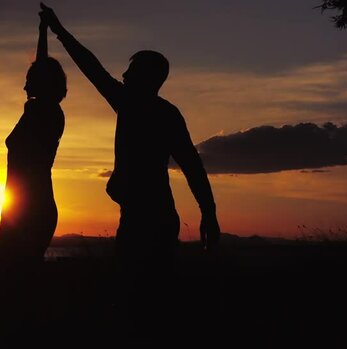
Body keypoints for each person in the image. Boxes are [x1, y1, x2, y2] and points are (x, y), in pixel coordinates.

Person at [39, 3, 220, 268]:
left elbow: (91, 67)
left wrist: (58, 30)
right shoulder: (167, 113)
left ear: (147, 77)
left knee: (137, 292)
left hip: (144, 220)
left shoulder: (133, 105)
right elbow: (193, 166)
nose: (123, 75)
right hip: (157, 216)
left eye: (131, 71)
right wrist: (209, 212)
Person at [0, 15, 66, 266]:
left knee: (17, 282)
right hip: (26, 207)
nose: (24, 87)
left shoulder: (44, 112)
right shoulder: (41, 111)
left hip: (31, 210)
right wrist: (42, 32)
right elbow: (42, 67)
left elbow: (43, 69)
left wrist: (45, 32)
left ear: (42, 84)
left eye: (28, 81)